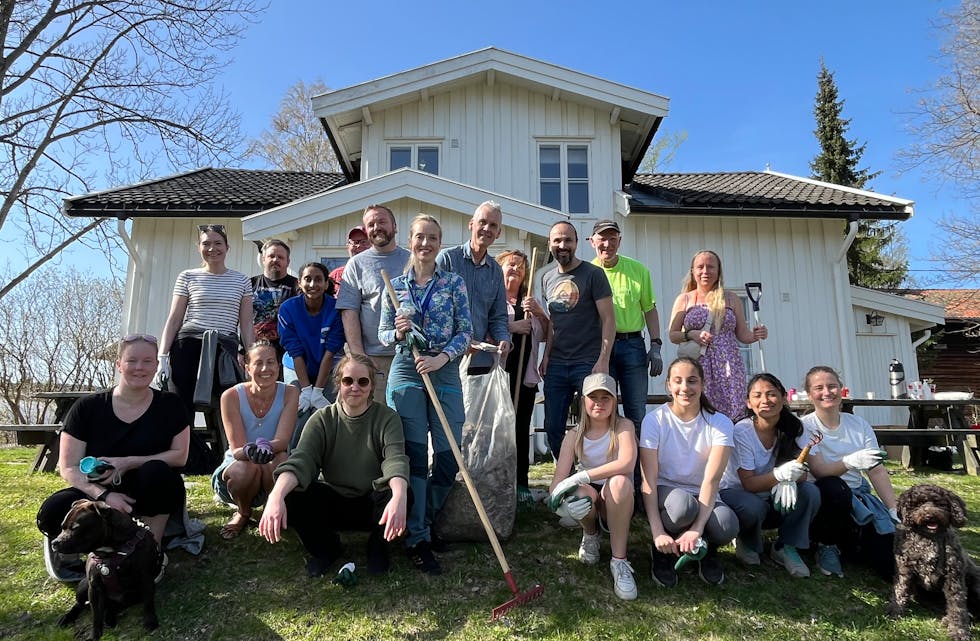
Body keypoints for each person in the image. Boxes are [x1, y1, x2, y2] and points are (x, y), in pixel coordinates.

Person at [37, 335, 189, 581]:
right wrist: (104, 496)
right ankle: (77, 554)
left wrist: (127, 462)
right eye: (132, 361)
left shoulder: (170, 404)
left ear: (156, 366)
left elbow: (180, 456)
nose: (139, 367)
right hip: (96, 492)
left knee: (159, 474)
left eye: (147, 361)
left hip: (145, 488)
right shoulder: (87, 408)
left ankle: (151, 549)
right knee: (52, 512)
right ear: (119, 365)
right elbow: (68, 467)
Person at [258, 354, 409, 578]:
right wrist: (275, 497)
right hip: (335, 500)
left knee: (403, 491)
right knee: (292, 493)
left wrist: (399, 496)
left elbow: (395, 459)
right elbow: (302, 459)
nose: (355, 387)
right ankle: (326, 549)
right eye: (348, 381)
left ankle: (377, 548)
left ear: (371, 386)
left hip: (373, 503)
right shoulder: (322, 419)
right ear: (338, 384)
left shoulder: (387, 418)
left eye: (363, 381)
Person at [379, 214, 472, 575]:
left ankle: (424, 519)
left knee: (449, 457)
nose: (426, 244)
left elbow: (466, 330)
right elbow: (384, 334)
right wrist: (398, 333)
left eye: (433, 237)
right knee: (415, 456)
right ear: (411, 240)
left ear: (440, 241)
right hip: (406, 370)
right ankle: (418, 537)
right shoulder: (395, 284)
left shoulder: (453, 283)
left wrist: (442, 357)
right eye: (420, 237)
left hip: (444, 368)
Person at [639, 357, 738, 587]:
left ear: (703, 385)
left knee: (727, 525)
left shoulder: (720, 423)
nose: (685, 388)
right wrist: (656, 532)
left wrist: (697, 529)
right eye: (678, 381)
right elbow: (649, 479)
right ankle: (663, 550)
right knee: (683, 507)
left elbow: (712, 480)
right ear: (668, 385)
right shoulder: (654, 420)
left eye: (692, 381)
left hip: (703, 491)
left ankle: (704, 548)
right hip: (667, 493)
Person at [718, 373, 820, 578]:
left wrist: (791, 478)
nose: (765, 400)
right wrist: (780, 475)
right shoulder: (742, 431)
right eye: (757, 395)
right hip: (739, 494)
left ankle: (786, 546)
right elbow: (748, 484)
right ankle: (747, 539)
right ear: (748, 402)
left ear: (784, 398)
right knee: (752, 506)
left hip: (773, 495)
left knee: (810, 492)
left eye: (772, 394)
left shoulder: (796, 427)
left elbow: (804, 469)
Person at [589, 218, 663, 501]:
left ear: (619, 240)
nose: (607, 244)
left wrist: (655, 345)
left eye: (612, 238)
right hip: (598, 349)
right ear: (592, 242)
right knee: (603, 415)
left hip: (632, 346)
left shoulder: (638, 270)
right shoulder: (587, 272)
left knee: (636, 416)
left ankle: (640, 486)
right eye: (601, 239)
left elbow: (650, 310)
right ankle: (605, 482)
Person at [800, 365, 897, 580]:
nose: (827, 392)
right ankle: (826, 544)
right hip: (824, 498)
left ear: (841, 389)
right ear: (809, 395)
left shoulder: (858, 424)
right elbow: (819, 470)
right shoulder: (805, 426)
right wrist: (851, 461)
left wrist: (892, 507)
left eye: (832, 386)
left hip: (857, 497)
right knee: (835, 487)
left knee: (887, 558)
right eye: (819, 388)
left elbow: (877, 470)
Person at [547, 373, 638, 600]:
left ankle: (619, 561)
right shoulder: (574, 435)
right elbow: (558, 481)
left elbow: (626, 464)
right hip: (591, 495)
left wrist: (581, 476)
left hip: (617, 496)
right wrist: (559, 503)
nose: (599, 403)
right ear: (583, 400)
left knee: (618, 482)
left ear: (615, 400)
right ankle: (591, 534)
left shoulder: (624, 426)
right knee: (577, 496)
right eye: (593, 397)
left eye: (605, 397)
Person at [157, 224, 254, 423]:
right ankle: (184, 451)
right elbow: (175, 318)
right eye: (206, 243)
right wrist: (163, 356)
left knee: (229, 405)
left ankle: (228, 452)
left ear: (227, 247)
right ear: (198, 247)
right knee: (181, 406)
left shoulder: (242, 281)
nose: (212, 248)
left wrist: (252, 357)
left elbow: (246, 324)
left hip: (224, 349)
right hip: (188, 346)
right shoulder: (187, 277)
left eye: (218, 243)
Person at [540, 221, 615, 459]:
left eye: (568, 240)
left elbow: (609, 320)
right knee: (552, 426)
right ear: (550, 244)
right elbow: (553, 321)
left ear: (576, 243)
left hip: (588, 361)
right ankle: (567, 477)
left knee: (592, 424)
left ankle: (591, 477)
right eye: (557, 240)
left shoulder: (594, 274)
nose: (563, 245)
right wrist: (546, 355)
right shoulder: (547, 278)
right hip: (557, 363)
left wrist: (603, 359)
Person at [211, 341, 298, 540]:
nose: (265, 369)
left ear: (278, 366)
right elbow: (237, 449)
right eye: (258, 363)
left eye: (271, 362)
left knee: (279, 460)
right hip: (239, 468)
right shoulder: (230, 396)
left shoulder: (290, 393)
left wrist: (265, 448)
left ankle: (272, 509)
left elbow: (282, 442)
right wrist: (252, 451)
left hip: (273, 461)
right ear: (247, 367)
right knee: (246, 467)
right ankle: (243, 512)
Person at [667, 250, 767, 420]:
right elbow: (673, 335)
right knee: (701, 409)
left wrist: (756, 335)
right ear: (693, 271)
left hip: (729, 363)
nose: (705, 271)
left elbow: (742, 334)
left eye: (710, 267)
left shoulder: (731, 299)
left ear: (718, 271)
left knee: (732, 409)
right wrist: (692, 334)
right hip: (699, 362)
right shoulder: (685, 299)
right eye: (700, 267)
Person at [336, 205, 411, 403]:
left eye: (382, 222)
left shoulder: (412, 261)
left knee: (405, 421)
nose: (376, 227)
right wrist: (360, 357)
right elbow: (348, 312)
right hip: (372, 359)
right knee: (369, 419)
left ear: (394, 227)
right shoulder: (357, 264)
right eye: (371, 224)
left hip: (408, 356)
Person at [496, 249, 549, 506]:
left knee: (519, 430)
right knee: (498, 432)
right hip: (497, 378)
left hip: (523, 378)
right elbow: (479, 328)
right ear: (500, 268)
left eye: (520, 266)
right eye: (510, 264)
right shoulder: (493, 300)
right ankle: (496, 482)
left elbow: (549, 335)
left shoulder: (530, 302)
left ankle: (520, 484)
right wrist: (512, 326)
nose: (515, 269)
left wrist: (539, 312)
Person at [436, 201, 511, 366]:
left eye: (493, 225)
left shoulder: (496, 271)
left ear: (498, 233)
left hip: (479, 361)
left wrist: (503, 338)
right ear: (471, 224)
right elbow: (434, 311)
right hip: (445, 358)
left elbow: (498, 316)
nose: (486, 228)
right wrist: (460, 342)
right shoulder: (447, 259)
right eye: (482, 222)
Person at [278, 262, 346, 415]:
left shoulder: (336, 310)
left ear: (326, 283)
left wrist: (318, 391)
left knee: (328, 411)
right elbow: (295, 351)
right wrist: (307, 390)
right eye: (307, 279)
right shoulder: (287, 309)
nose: (313, 284)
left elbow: (330, 352)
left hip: (328, 366)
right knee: (297, 411)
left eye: (318, 279)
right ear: (299, 283)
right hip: (295, 366)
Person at [250, 239, 299, 366]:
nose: (275, 260)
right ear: (263, 259)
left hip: (287, 353)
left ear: (288, 262)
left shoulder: (298, 286)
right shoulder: (249, 284)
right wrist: (241, 349)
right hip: (255, 351)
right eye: (271, 256)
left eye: (280, 257)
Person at [329, 225, 370, 298]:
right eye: (355, 242)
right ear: (348, 246)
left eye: (363, 242)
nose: (358, 246)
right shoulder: (335, 276)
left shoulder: (378, 273)